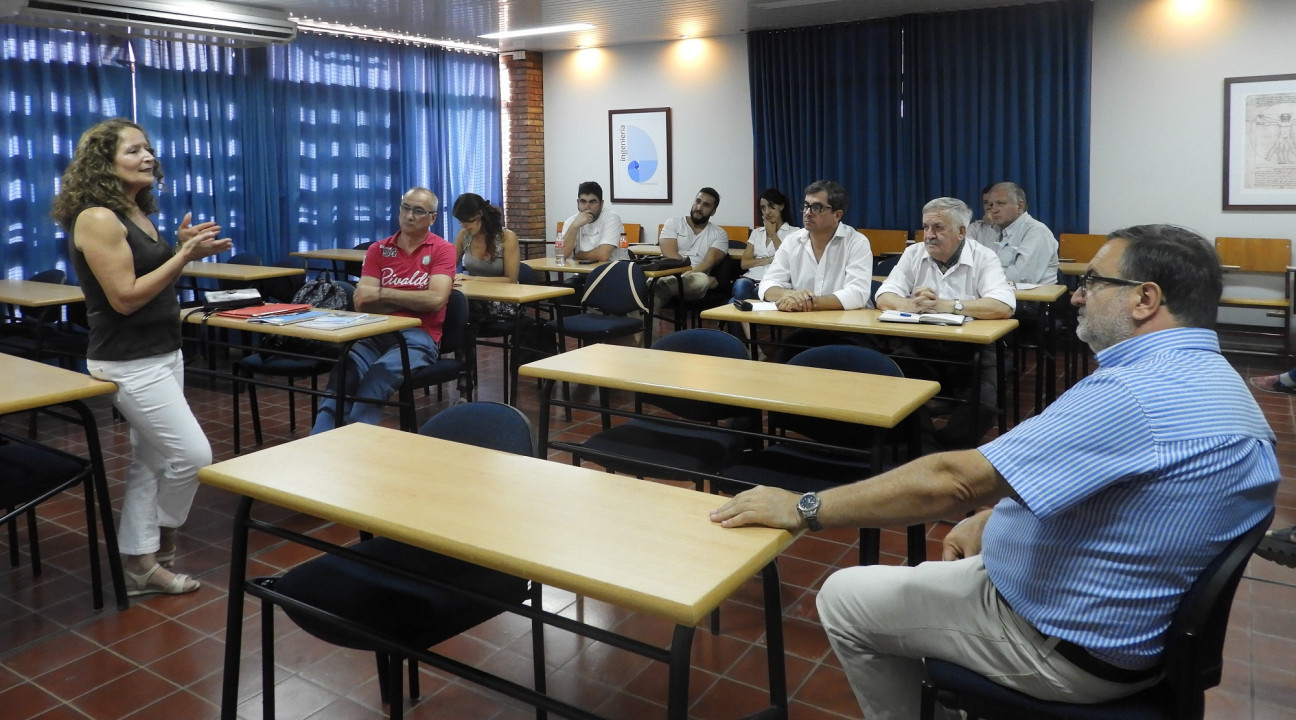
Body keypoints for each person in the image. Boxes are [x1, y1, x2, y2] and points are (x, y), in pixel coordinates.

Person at [712, 224, 1279, 720]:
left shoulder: (1131, 393)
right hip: (1120, 619)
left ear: (1144, 299)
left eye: (1095, 283)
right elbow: (1120, 494)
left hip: (1065, 642)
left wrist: (802, 507)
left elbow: (952, 480)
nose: (1078, 295)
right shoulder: (1218, 382)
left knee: (843, 597)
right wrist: (997, 516)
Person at [53, 118, 232, 597]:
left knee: (149, 463)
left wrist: (178, 249)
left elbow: (148, 277)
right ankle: (160, 540)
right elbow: (125, 298)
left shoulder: (134, 211)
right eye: (133, 151)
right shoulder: (97, 217)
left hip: (162, 351)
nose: (148, 156)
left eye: (148, 148)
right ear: (103, 165)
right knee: (193, 456)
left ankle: (140, 563)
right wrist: (184, 257)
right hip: (128, 361)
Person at [310, 187, 456, 433]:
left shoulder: (442, 249)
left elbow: (435, 300)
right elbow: (362, 302)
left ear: (432, 217)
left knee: (378, 377)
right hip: (375, 332)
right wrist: (410, 298)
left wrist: (383, 293)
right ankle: (317, 445)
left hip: (419, 336)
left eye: (419, 211)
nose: (409, 216)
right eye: (405, 208)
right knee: (342, 376)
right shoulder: (378, 250)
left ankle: (356, 444)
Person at [876, 197, 1015, 446]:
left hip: (970, 349)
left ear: (961, 231)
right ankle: (925, 450)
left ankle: (945, 452)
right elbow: (884, 295)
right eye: (926, 228)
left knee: (982, 404)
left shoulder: (984, 257)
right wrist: (909, 305)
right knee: (886, 382)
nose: (929, 235)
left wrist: (949, 305)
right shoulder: (913, 253)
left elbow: (1003, 305)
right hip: (921, 344)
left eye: (938, 228)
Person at [757, 180, 873, 313]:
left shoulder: (856, 242)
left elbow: (857, 294)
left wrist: (810, 302)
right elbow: (767, 284)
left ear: (837, 215)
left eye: (816, 207)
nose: (807, 212)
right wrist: (789, 295)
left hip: (848, 326)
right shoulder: (792, 241)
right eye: (806, 206)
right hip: (804, 323)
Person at [652, 187, 730, 309]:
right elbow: (669, 253)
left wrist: (689, 274)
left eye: (706, 205)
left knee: (702, 280)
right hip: (669, 272)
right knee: (657, 287)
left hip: (696, 278)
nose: (699, 207)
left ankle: (654, 287)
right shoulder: (673, 223)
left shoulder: (719, 233)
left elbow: (708, 263)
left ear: (713, 211)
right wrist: (682, 275)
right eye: (697, 201)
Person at [971, 181, 1059, 286]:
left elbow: (1021, 278)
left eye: (1001, 203)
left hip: (1031, 299)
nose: (993, 210)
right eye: (990, 204)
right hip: (1000, 294)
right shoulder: (997, 231)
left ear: (1019, 206)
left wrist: (979, 279)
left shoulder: (1037, 232)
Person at [452, 193, 520, 324]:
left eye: (466, 222)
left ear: (479, 215)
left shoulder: (507, 237)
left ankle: (463, 340)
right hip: (474, 296)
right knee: (450, 307)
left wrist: (473, 279)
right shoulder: (463, 236)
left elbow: (510, 280)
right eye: (460, 222)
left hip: (503, 298)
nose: (463, 226)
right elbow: (449, 265)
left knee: (461, 312)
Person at [732, 188, 795, 301]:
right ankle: (746, 316)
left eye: (771, 206)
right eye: (763, 208)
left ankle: (745, 316)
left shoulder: (793, 232)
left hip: (774, 281)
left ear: (781, 206)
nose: (767, 212)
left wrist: (772, 234)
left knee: (755, 293)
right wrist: (770, 259)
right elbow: (744, 263)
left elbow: (789, 260)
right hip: (751, 278)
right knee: (740, 287)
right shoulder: (757, 233)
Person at [559, 180, 629, 264]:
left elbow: (603, 255)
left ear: (601, 204)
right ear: (578, 203)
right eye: (583, 201)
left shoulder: (611, 217)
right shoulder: (571, 221)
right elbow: (561, 255)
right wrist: (574, 226)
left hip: (611, 272)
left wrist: (579, 256)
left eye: (592, 202)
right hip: (582, 273)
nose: (587, 207)